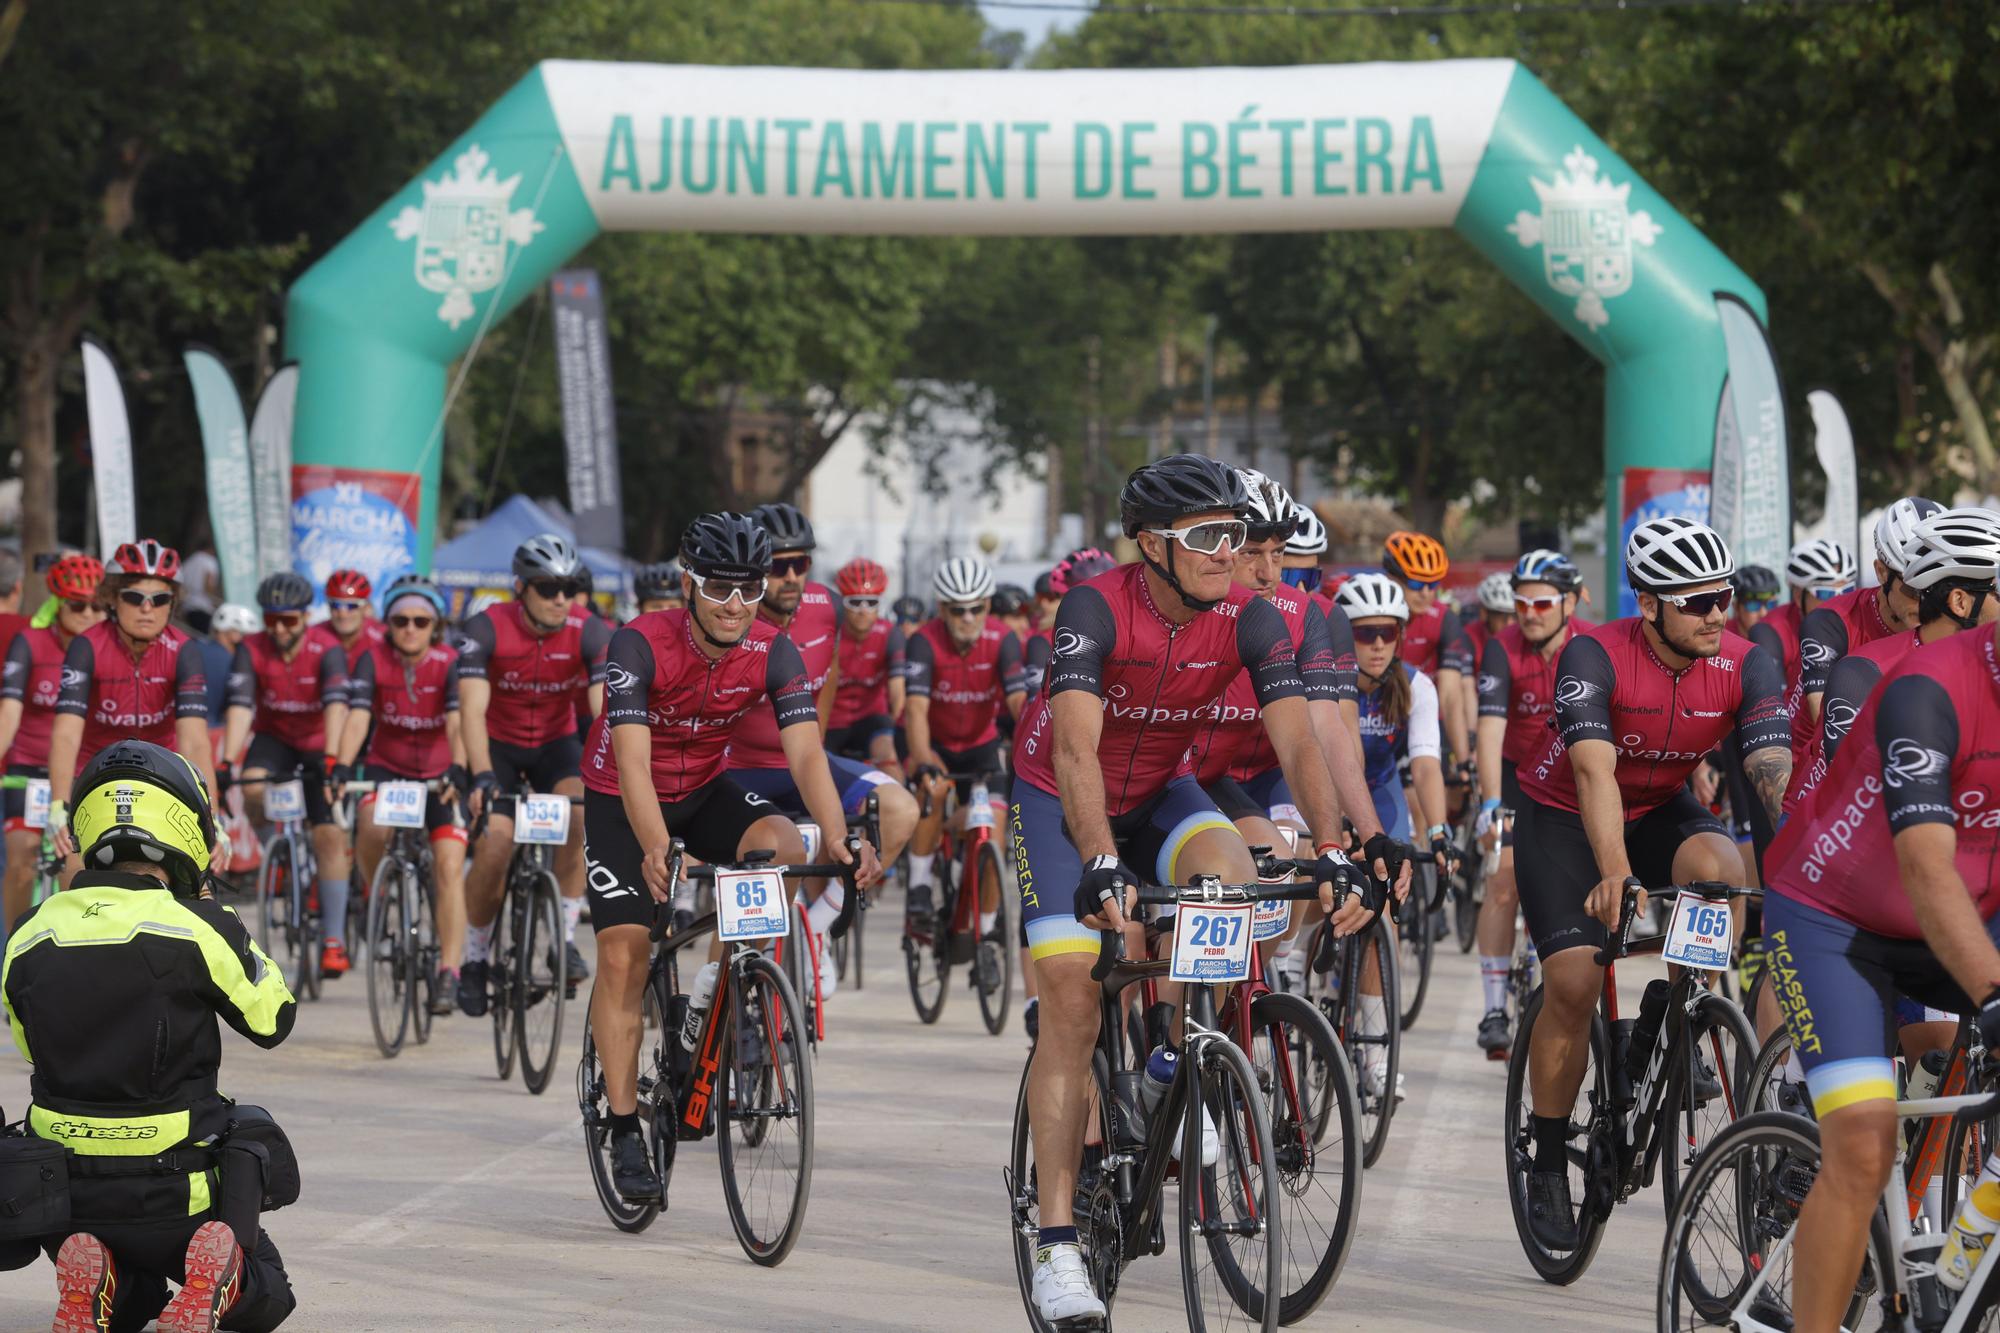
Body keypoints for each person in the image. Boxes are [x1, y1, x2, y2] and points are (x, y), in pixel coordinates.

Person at [1012, 454, 1378, 1327]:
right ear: (1152, 545)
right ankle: (1058, 1242)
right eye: (1210, 537)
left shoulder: (1250, 619)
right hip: (1062, 804)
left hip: (1161, 795)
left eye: (1238, 535)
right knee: (1071, 996)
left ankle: (1175, 1061)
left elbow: (1298, 746)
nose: (1231, 552)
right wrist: (1101, 859)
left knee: (1238, 879)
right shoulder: (1096, 607)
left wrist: (1332, 848)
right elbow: (1072, 755)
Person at [580, 512, 879, 1204]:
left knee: (785, 844)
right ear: (689, 583)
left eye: (752, 588)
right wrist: (656, 848)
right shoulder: (637, 643)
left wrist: (837, 836)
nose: (737, 604)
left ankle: (716, 988)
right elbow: (630, 764)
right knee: (625, 950)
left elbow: (805, 754)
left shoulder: (775, 651)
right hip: (625, 800)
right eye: (720, 587)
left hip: (706, 789)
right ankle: (624, 1125)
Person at [1512, 516, 1789, 1251]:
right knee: (1574, 980)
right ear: (1650, 605)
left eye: (1722, 596)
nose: (1716, 613)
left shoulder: (1744, 662)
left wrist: (1807, 868)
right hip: (1564, 816)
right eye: (1696, 601)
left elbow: (1774, 777)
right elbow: (1592, 772)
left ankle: (1679, 1005)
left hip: (1662, 805)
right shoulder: (1592, 655)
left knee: (1722, 873)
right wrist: (1616, 876)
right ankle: (1544, 1158)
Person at [1758, 588, 2000, 1333]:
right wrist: (1991, 993)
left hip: (1966, 906)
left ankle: (1952, 1273)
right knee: (1864, 1141)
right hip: (1833, 919)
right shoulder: (1932, 688)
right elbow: (1925, 867)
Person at [5, 740, 296, 1333]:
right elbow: (273, 1019)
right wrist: (218, 913)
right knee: (270, 1293)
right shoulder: (198, 926)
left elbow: (34, 1048)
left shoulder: (26, 934)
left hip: (66, 1197)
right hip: (178, 1192)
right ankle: (227, 1272)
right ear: (189, 832)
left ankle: (98, 1271)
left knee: (130, 1308)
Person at [724, 503, 917, 975]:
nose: (791, 575)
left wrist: (816, 747)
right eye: (778, 565)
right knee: (747, 916)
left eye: (801, 563)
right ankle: (720, 1003)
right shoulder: (732, 617)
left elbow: (824, 682)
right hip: (737, 770)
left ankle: (817, 926)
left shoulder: (826, 606)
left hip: (800, 761)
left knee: (900, 809)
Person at [1187, 470, 1360, 996]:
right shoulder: (1192, 611)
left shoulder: (1296, 615)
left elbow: (1324, 730)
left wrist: (1355, 831)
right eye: (1252, 554)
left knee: (1280, 860)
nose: (1268, 573)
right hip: (1179, 776)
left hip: (1252, 771)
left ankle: (1260, 978)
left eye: (1278, 555)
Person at [456, 534, 610, 1013]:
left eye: (569, 587)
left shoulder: (590, 631)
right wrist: (481, 775)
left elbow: (604, 714)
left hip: (555, 745)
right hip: (496, 746)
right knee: (497, 843)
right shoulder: (486, 628)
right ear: (520, 588)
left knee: (581, 815)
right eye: (547, 588)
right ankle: (475, 958)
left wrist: (613, 778)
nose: (561, 598)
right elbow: (471, 714)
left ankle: (562, 936)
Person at [330, 575, 469, 1013]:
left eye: (420, 621)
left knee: (448, 866)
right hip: (387, 770)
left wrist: (459, 769)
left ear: (435, 625)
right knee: (369, 826)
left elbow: (457, 723)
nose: (410, 628)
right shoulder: (372, 660)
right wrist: (338, 764)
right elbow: (357, 719)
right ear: (388, 623)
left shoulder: (450, 663)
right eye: (401, 620)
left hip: (437, 774)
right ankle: (381, 889)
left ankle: (450, 970)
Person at [1471, 548, 1584, 1059]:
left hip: (1571, 781)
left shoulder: (1590, 647)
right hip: (1518, 779)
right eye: (1521, 605)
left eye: (1541, 604)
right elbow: (1490, 732)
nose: (1530, 615)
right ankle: (1495, 1007)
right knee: (1503, 878)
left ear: (1571, 602)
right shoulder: (1503, 647)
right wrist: (1491, 803)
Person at [47, 540, 218, 867]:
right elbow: (66, 733)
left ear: (172, 603)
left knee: (197, 877)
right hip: (95, 773)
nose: (147, 608)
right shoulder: (87, 646)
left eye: (160, 599)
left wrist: (212, 816)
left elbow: (195, 741)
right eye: (134, 597)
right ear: (113, 599)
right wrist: (59, 805)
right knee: (74, 868)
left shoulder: (184, 650)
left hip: (162, 774)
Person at [220, 572, 353, 974]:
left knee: (328, 834)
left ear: (306, 617)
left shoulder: (326, 648)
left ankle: (334, 939)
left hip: (317, 741)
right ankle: (280, 858)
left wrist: (331, 758)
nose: (279, 628)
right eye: (272, 619)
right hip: (275, 737)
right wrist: (227, 760)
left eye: (289, 620)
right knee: (254, 787)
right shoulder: (252, 648)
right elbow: (242, 706)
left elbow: (336, 706)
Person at [901, 556, 1028, 961]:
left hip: (981, 748)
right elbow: (916, 708)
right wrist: (922, 757)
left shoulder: (1002, 639)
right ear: (942, 609)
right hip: (932, 743)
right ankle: (920, 885)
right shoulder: (923, 640)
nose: (968, 617)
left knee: (994, 823)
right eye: (958, 610)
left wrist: (1033, 733)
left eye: (976, 607)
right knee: (933, 791)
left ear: (988, 606)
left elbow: (1016, 698)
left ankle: (988, 933)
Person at [0, 554, 104, 926]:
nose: (89, 614)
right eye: (78, 605)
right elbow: (9, 713)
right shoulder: (30, 642)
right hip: (27, 767)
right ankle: (13, 948)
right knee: (21, 861)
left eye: (98, 606)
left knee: (75, 869)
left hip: (77, 770)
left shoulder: (105, 648)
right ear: (58, 605)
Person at [1382, 531, 1474, 776]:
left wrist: (1464, 760)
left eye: (1433, 584)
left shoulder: (1444, 619)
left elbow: (1450, 697)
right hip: (1380, 717)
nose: (1426, 593)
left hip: (1424, 718)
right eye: (1415, 583)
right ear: (1392, 578)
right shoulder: (1373, 615)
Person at [825, 557, 906, 774]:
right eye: (855, 602)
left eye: (871, 603)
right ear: (843, 601)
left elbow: (897, 690)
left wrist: (894, 723)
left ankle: (901, 806)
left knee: (889, 756)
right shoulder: (829, 632)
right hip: (830, 721)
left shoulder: (890, 633)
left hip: (872, 718)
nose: (863, 610)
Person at [1758, 538, 1859, 698]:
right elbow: (1770, 702)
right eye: (1826, 593)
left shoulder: (1859, 619)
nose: (1840, 602)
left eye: (1847, 590)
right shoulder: (1772, 629)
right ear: (1798, 595)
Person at [1021, 549, 1115, 699]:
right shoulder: (1043, 639)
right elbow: (1036, 701)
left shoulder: (1045, 638)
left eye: (1055, 597)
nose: (1045, 605)